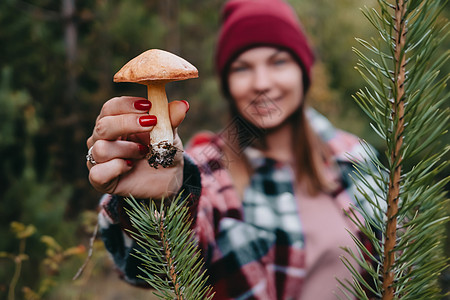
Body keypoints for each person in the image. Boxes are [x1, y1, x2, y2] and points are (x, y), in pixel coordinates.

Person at [86, 0, 377, 298]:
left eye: (278, 62)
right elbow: (147, 268)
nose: (262, 83)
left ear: (304, 71)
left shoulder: (355, 155)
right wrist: (159, 204)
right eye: (242, 68)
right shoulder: (206, 169)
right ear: (227, 84)